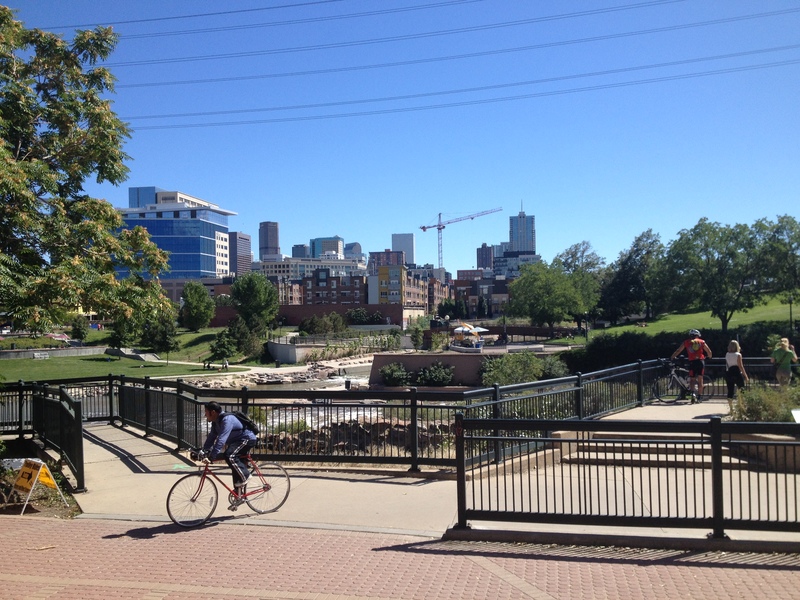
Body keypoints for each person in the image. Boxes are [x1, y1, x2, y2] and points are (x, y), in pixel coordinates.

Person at [199, 401, 258, 509]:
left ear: (213, 412)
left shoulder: (227, 420)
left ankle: (246, 475)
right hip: (236, 442)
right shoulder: (216, 422)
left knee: (229, 456)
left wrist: (212, 456)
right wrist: (204, 450)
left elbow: (221, 439)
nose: (205, 415)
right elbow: (211, 438)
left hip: (247, 439)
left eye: (206, 412)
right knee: (234, 465)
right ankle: (239, 496)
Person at [671, 329, 712, 400]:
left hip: (692, 362)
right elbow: (709, 351)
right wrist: (709, 357)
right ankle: (699, 396)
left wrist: (672, 357)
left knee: (692, 380)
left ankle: (693, 394)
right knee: (700, 380)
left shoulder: (686, 342)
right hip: (700, 361)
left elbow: (679, 350)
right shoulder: (702, 342)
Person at [724, 340, 748, 411]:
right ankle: (741, 406)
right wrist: (745, 376)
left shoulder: (727, 354)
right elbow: (740, 366)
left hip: (729, 373)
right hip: (737, 373)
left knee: (730, 391)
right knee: (741, 390)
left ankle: (731, 408)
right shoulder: (738, 355)